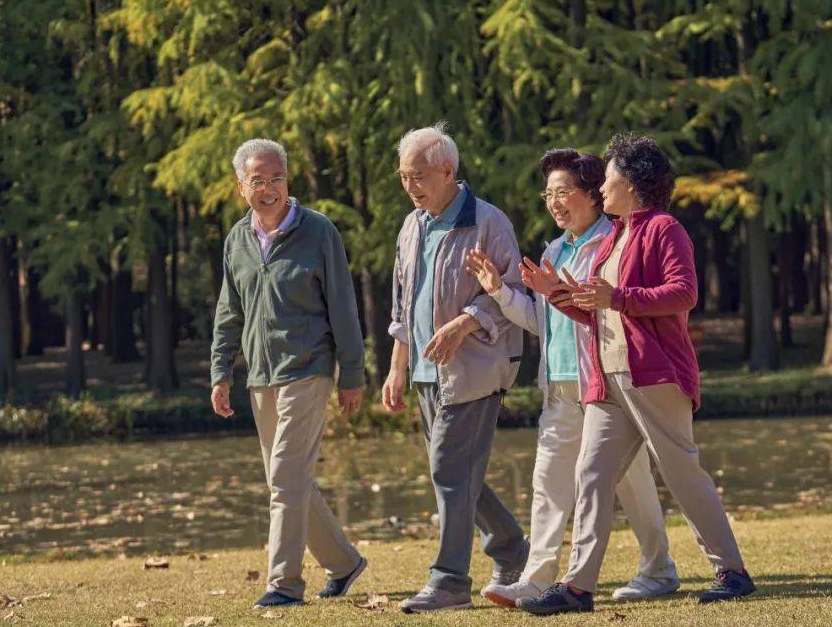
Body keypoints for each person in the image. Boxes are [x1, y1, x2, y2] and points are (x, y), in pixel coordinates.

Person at [517, 134, 757, 615]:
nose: (601, 189)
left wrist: (618, 298)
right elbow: (601, 312)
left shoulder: (664, 229)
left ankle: (732, 571)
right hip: (608, 381)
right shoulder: (618, 234)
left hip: (654, 376)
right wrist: (559, 295)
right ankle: (578, 586)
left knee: (681, 471)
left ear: (632, 183)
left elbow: (683, 293)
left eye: (608, 180)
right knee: (591, 474)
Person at [464, 149, 680, 607]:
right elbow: (545, 321)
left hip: (605, 383)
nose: (555, 202)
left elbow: (612, 311)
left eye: (564, 192)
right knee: (547, 481)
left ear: (593, 194)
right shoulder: (553, 250)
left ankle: (658, 568)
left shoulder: (613, 243)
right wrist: (499, 292)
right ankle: (538, 578)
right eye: (549, 194)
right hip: (558, 385)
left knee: (631, 481)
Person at [210, 138, 368, 608]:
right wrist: (220, 372)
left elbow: (342, 304)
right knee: (291, 478)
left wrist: (353, 374)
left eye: (276, 178)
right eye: (258, 180)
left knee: (284, 475)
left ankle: (284, 583)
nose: (269, 188)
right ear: (242, 187)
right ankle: (343, 563)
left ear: (288, 181)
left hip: (309, 368)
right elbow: (228, 312)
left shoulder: (319, 232)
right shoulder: (236, 241)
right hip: (260, 376)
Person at [382, 123, 529, 613]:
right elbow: (404, 305)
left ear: (448, 171)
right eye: (404, 177)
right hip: (425, 374)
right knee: (455, 472)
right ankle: (511, 548)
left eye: (418, 176)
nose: (410, 186)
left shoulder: (489, 222)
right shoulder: (411, 225)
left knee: (450, 470)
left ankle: (449, 582)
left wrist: (465, 323)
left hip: (475, 369)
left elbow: (513, 293)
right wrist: (396, 367)